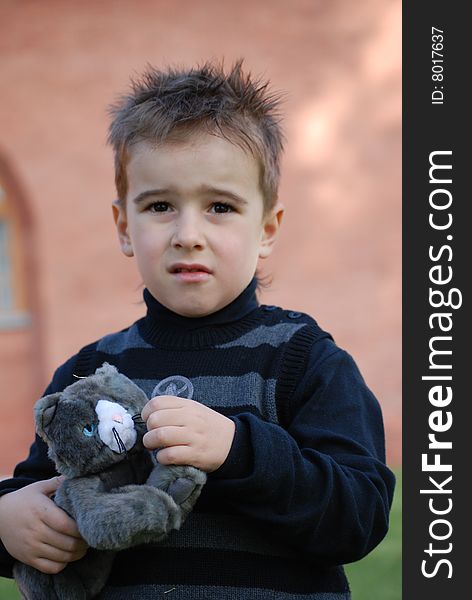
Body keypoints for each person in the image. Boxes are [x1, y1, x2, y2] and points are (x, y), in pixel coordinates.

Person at [0, 60, 395, 599]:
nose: (188, 234)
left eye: (220, 207)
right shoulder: (89, 373)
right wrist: (8, 522)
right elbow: (38, 490)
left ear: (267, 228)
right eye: (160, 205)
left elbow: (359, 516)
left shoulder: (304, 360)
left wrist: (240, 451)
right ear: (124, 227)